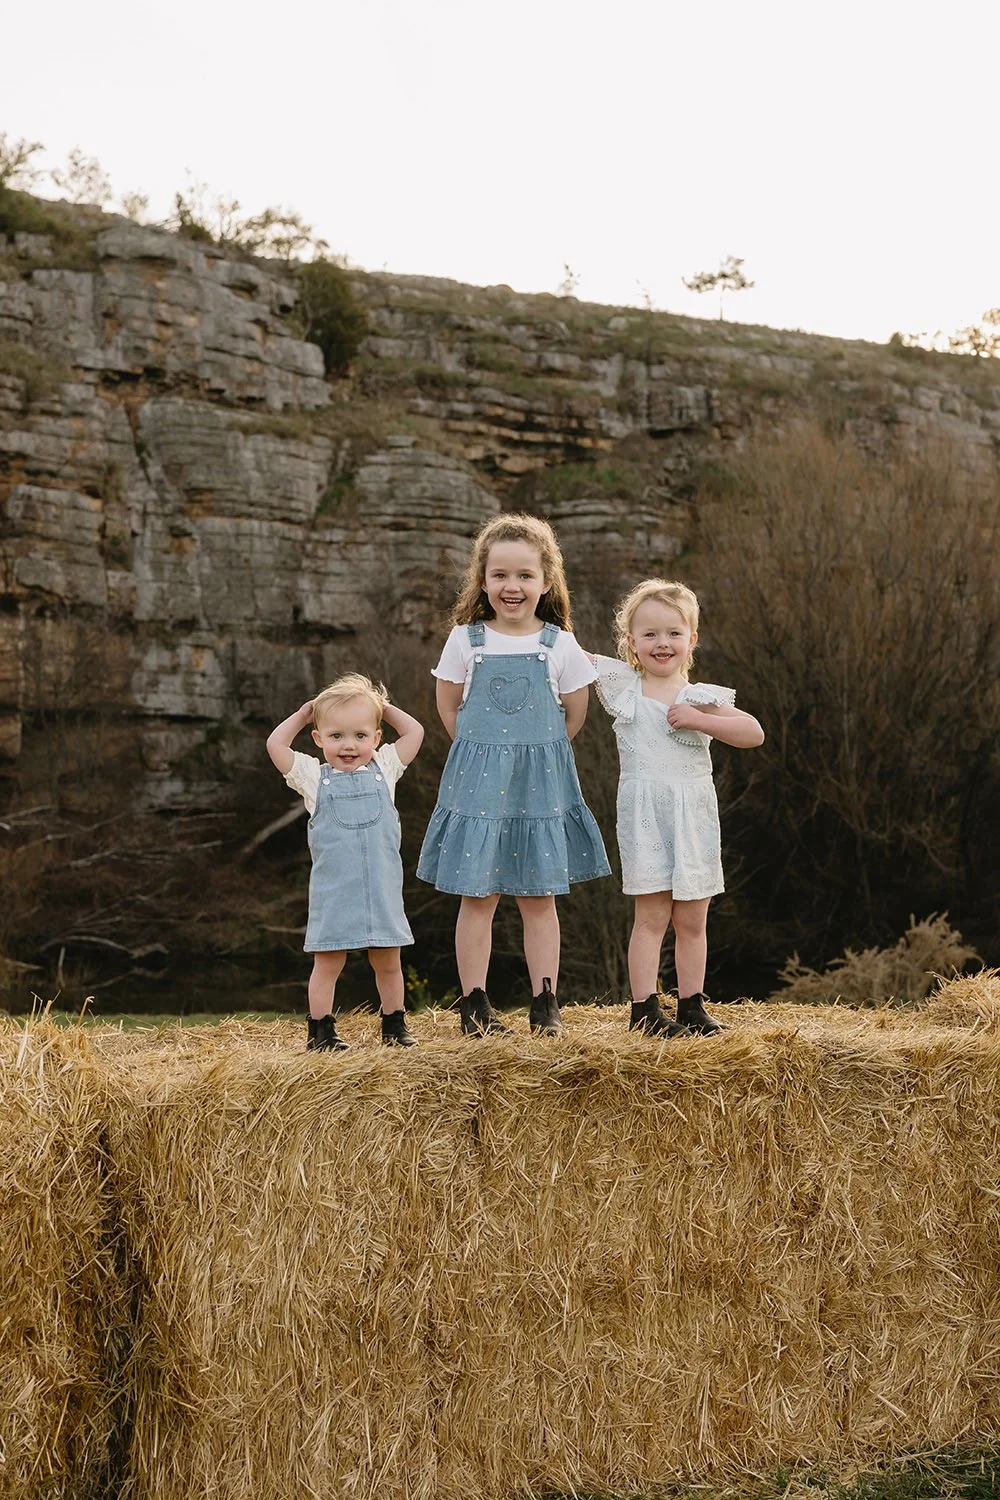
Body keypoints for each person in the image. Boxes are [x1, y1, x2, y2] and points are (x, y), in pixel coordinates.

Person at [417, 513, 610, 1037]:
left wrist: (533, 754)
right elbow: (448, 705)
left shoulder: (560, 644)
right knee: (476, 897)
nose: (512, 586)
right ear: (483, 580)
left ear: (546, 582)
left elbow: (574, 714)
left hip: (540, 783)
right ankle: (473, 1002)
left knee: (539, 897)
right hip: (477, 783)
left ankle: (545, 1001)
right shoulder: (465, 639)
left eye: (524, 576)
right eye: (500, 575)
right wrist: (484, 753)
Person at [592, 579, 764, 1037]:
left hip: (693, 816)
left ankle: (692, 1006)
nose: (661, 643)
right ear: (630, 642)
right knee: (650, 917)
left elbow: (753, 733)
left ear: (692, 638)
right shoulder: (624, 688)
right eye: (649, 634)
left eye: (673, 632)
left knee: (692, 919)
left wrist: (701, 720)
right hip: (645, 814)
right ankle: (644, 1009)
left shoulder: (700, 697)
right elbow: (567, 653)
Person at [266, 674, 424, 1051]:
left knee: (388, 961)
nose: (348, 745)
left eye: (360, 735)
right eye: (336, 736)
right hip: (334, 891)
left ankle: (394, 1025)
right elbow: (275, 743)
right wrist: (305, 714)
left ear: (376, 738)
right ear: (318, 739)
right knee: (328, 963)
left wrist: (381, 708)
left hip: (382, 889)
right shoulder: (312, 779)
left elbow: (415, 732)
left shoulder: (385, 770)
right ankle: (321, 1031)